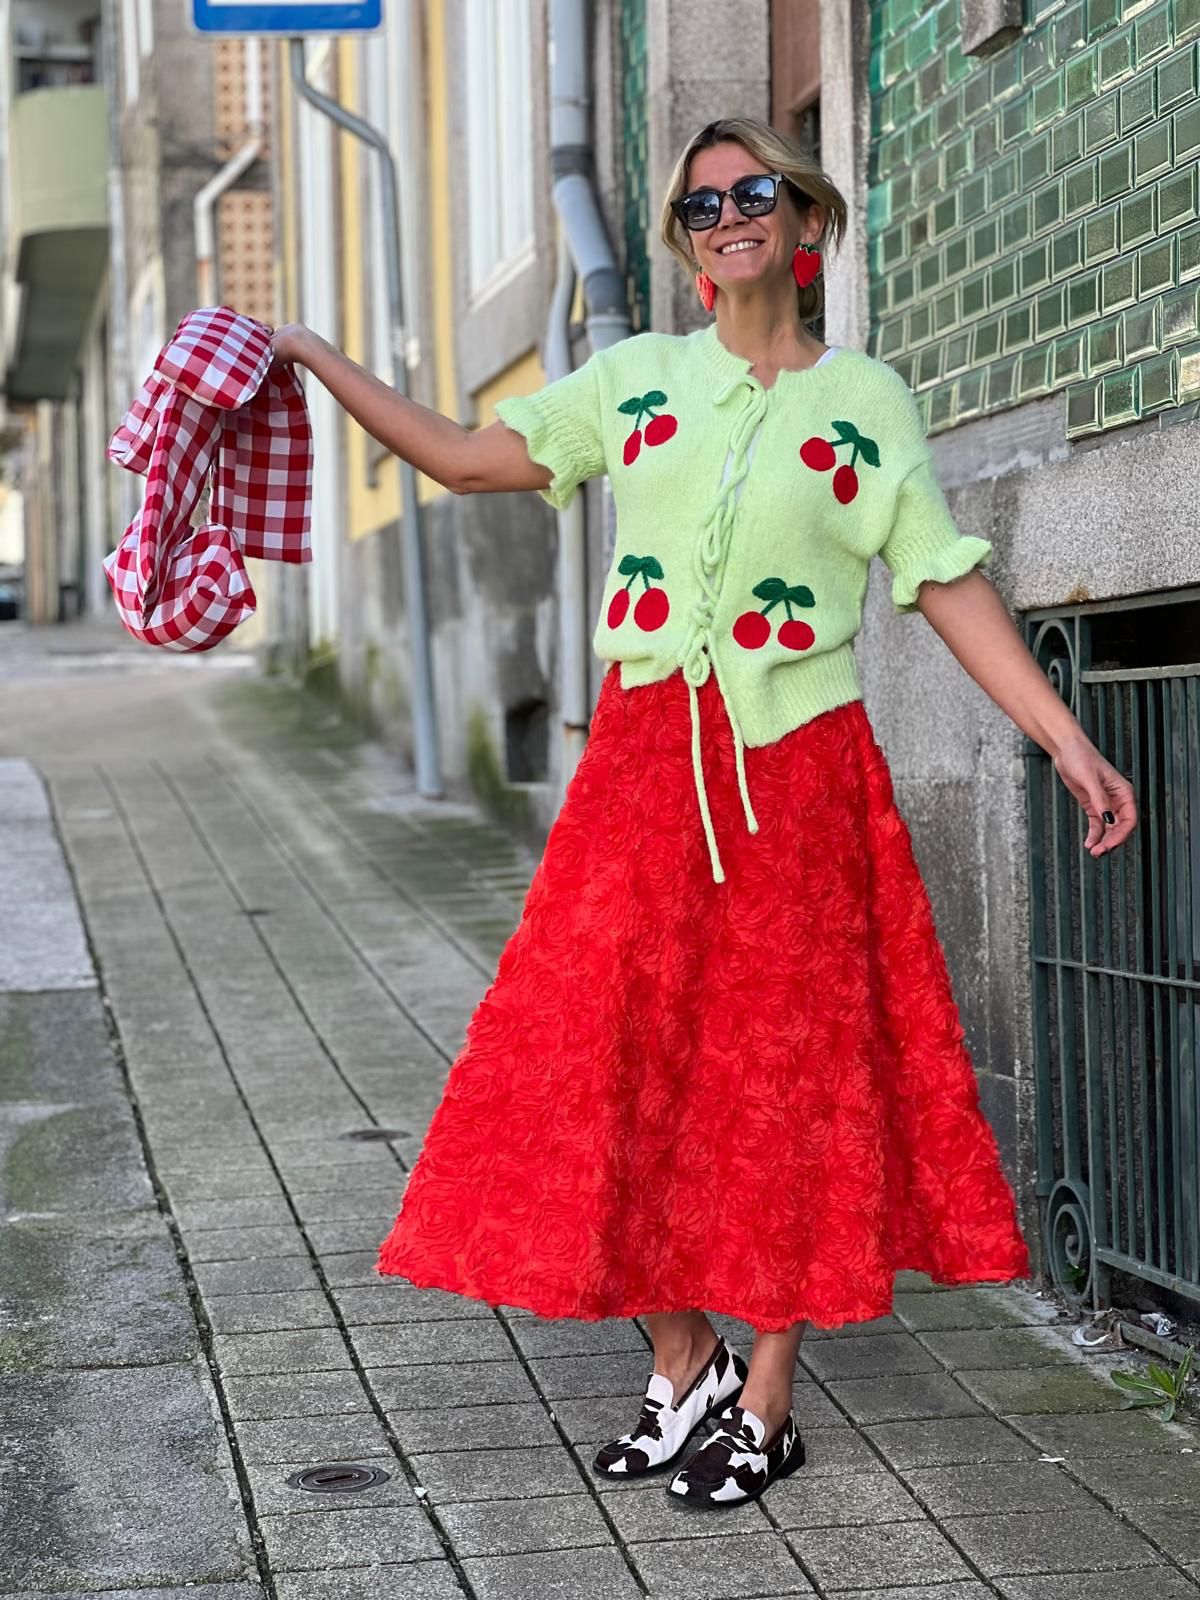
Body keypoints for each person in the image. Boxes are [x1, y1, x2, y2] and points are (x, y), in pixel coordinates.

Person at [270, 116, 1137, 1510]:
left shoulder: (865, 400)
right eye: (700, 206)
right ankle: (684, 1362)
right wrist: (314, 354)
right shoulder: (635, 381)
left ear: (802, 224)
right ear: (682, 251)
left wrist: (1066, 738)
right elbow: (458, 455)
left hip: (799, 779)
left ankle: (770, 1393)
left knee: (782, 1084)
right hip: (640, 770)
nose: (729, 215)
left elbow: (942, 576)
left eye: (755, 194)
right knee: (603, 1064)